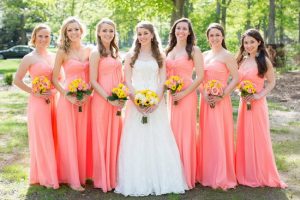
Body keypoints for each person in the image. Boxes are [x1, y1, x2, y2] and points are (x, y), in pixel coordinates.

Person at [115, 21, 187, 196]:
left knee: (159, 135)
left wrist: (155, 101)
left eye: (145, 33)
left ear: (152, 35)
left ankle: (163, 178)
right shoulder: (131, 55)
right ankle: (136, 180)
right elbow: (127, 81)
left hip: (156, 101)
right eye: (139, 34)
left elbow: (162, 80)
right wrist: (136, 101)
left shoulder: (160, 55)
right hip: (136, 101)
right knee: (136, 137)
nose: (142, 37)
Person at [235, 29, 287, 188]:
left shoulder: (264, 60)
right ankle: (245, 172)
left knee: (258, 137)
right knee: (244, 136)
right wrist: (240, 92)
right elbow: (238, 81)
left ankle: (259, 173)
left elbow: (271, 82)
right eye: (246, 42)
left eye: (252, 42)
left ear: (259, 42)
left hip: (257, 105)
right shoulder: (242, 60)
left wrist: (259, 95)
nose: (249, 45)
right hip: (244, 104)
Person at [14, 24, 59, 189]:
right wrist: (34, 92)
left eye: (47, 36)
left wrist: (54, 91)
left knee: (54, 135)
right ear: (34, 37)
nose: (43, 39)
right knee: (42, 137)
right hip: (38, 103)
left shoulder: (54, 56)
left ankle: (56, 172)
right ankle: (45, 176)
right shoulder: (29, 58)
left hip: (54, 100)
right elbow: (17, 80)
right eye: (40, 36)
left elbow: (59, 78)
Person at [196, 23, 238, 190]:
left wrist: (222, 95)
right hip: (206, 100)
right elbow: (199, 78)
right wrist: (203, 93)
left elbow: (236, 78)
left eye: (217, 35)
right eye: (211, 35)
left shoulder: (228, 55)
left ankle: (221, 174)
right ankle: (206, 173)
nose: (214, 38)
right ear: (208, 38)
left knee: (219, 134)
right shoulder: (204, 55)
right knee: (207, 134)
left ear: (223, 37)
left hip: (221, 101)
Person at [52, 17, 92, 191]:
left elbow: (94, 75)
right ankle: (72, 178)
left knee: (83, 135)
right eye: (70, 30)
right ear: (65, 33)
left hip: (86, 98)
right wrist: (67, 95)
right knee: (69, 137)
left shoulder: (90, 49)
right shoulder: (62, 51)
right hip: (68, 99)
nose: (74, 32)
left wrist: (88, 93)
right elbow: (54, 78)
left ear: (81, 31)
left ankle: (84, 174)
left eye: (76, 29)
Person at [165, 18, 204, 189]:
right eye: (178, 28)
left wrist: (184, 93)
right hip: (171, 96)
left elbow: (200, 77)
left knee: (186, 132)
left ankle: (187, 174)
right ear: (174, 31)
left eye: (184, 29)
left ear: (189, 32)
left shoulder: (194, 50)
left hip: (186, 95)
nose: (181, 31)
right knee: (171, 131)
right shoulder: (168, 50)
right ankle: (173, 172)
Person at [89, 18, 123, 192]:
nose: (108, 34)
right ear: (98, 33)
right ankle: (103, 178)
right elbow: (93, 81)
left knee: (116, 136)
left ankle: (115, 175)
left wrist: (122, 97)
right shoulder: (96, 53)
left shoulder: (116, 52)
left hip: (117, 98)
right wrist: (108, 98)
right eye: (105, 31)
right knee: (102, 137)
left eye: (111, 30)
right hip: (102, 100)